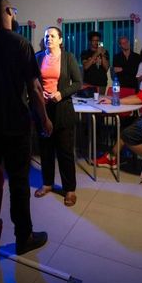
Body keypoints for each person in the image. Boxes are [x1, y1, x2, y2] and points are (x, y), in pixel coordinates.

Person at [0, 0, 53, 256]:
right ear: (8, 11)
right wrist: (45, 118)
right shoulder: (20, 43)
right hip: (16, 124)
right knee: (18, 182)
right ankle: (23, 237)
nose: (15, 14)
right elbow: (35, 88)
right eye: (14, 10)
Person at [33, 26, 82, 206]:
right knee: (46, 150)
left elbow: (78, 83)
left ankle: (69, 189)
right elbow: (32, 82)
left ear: (60, 40)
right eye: (47, 36)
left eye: (53, 36)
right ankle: (47, 184)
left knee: (65, 152)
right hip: (43, 109)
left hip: (62, 109)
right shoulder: (38, 57)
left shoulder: (68, 57)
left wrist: (61, 93)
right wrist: (38, 95)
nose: (49, 39)